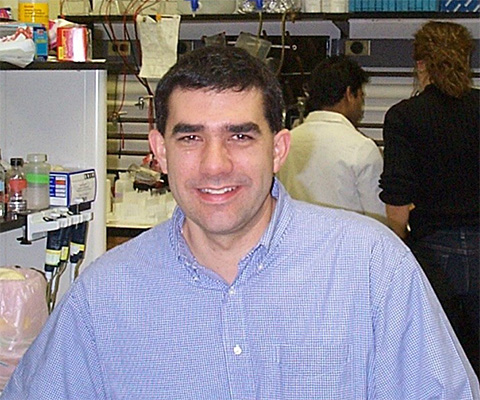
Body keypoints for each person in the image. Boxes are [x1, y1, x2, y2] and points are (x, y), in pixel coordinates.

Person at [1, 46, 478, 399]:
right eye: (190, 138)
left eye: (240, 136)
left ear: (278, 148)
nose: (215, 165)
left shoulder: (372, 267)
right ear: (160, 151)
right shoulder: (104, 294)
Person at [379, 20, 480, 376]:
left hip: (434, 253)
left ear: (420, 64)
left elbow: (397, 195)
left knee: (439, 361)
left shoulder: (405, 116)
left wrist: (399, 242)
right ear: (465, 61)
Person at [277, 55, 386, 223]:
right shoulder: (362, 148)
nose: (361, 107)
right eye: (361, 96)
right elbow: (379, 222)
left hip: (294, 245)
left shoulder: (286, 143)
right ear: (349, 94)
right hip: (347, 247)